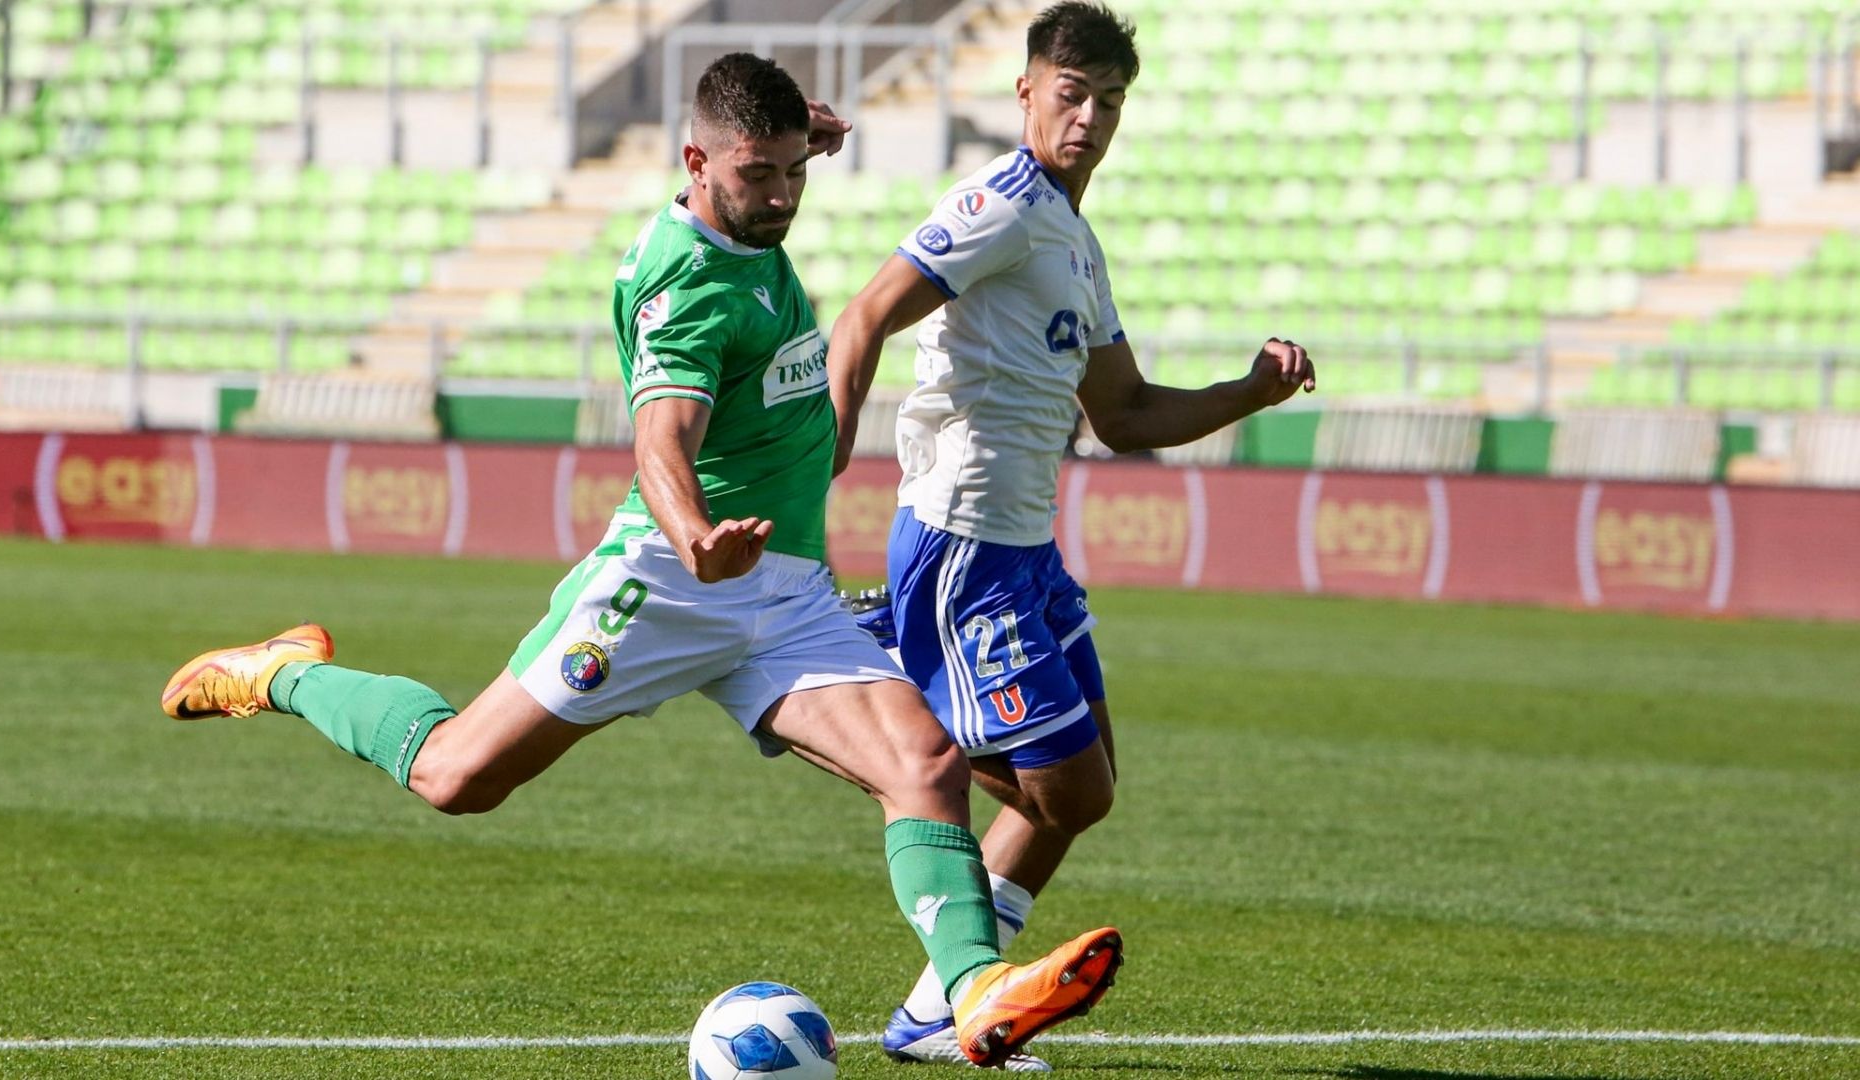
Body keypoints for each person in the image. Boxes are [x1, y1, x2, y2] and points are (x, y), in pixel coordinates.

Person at [159, 53, 1120, 1070]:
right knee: (455, 776)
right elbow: (660, 440)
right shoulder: (688, 286)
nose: (783, 194)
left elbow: (769, 156)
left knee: (924, 766)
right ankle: (283, 671)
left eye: (795, 169)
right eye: (761, 176)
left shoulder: (745, 196)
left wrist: (802, 136)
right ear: (696, 161)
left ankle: (969, 994)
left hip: (784, 591)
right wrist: (696, 534)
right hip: (666, 583)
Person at [825, 4, 1316, 1069]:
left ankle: (932, 1012)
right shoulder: (998, 204)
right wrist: (826, 452)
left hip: (1025, 551)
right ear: (1027, 94)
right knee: (1070, 787)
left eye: (1109, 100)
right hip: (960, 541)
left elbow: (1126, 416)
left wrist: (1250, 392)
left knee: (1083, 792)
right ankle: (867, 689)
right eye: (1070, 92)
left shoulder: (1075, 242)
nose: (1089, 116)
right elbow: (865, 314)